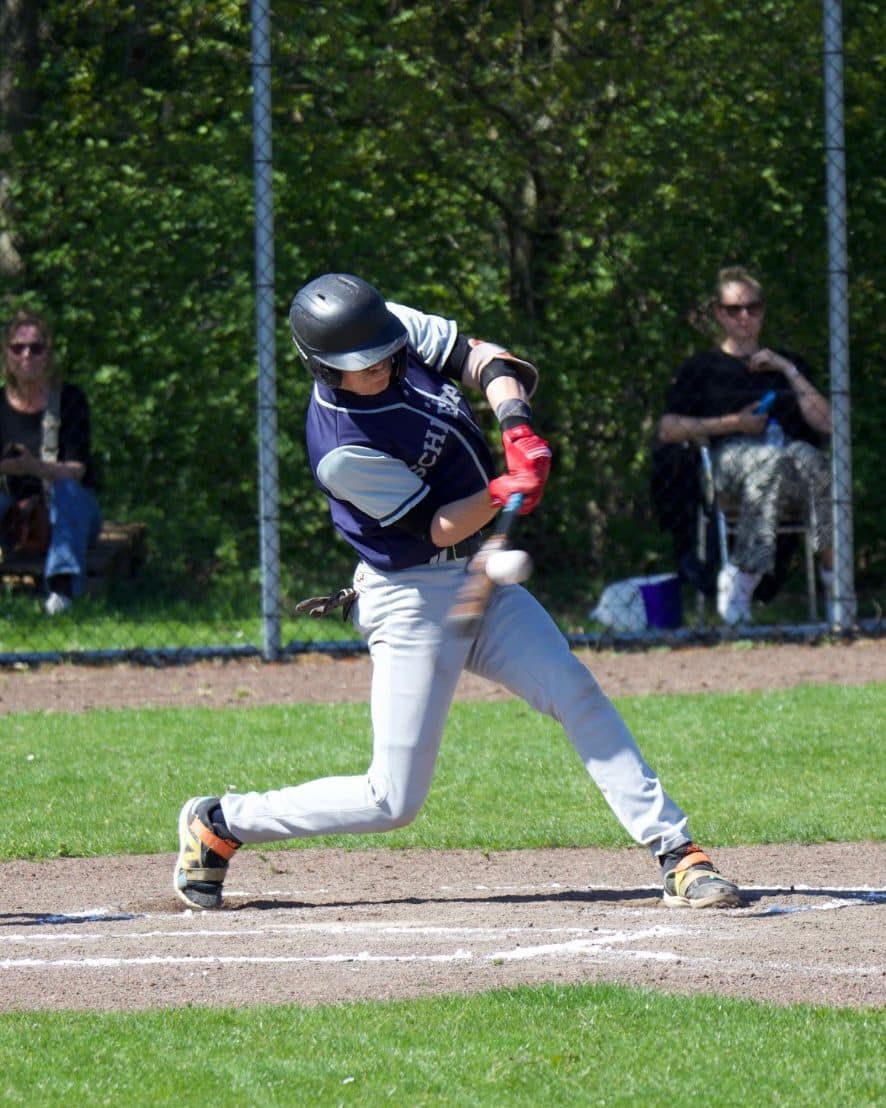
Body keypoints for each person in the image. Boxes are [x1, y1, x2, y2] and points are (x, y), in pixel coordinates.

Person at [174, 272, 742, 912]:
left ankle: (677, 852)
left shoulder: (382, 325)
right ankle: (221, 823)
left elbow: (487, 358)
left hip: (480, 578)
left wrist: (516, 425)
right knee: (392, 800)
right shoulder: (338, 446)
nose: (386, 365)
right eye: (365, 366)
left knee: (574, 690)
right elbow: (438, 524)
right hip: (409, 595)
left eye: (387, 353)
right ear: (327, 370)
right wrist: (505, 490)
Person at [657, 266, 833, 625]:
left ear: (762, 311)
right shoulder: (702, 368)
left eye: (752, 308)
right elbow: (668, 429)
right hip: (728, 460)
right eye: (735, 309)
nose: (745, 317)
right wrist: (734, 423)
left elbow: (826, 423)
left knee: (816, 462)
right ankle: (744, 574)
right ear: (720, 313)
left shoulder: (788, 364)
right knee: (769, 462)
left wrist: (787, 370)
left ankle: (836, 584)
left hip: (790, 460)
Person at [0, 309, 102, 614]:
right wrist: (8, 468)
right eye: (18, 348)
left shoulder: (69, 400)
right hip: (13, 508)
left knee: (68, 492)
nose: (26, 355)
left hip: (68, 508)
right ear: (7, 354)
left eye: (36, 348)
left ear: (48, 354)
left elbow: (76, 470)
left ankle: (62, 590)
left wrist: (35, 467)